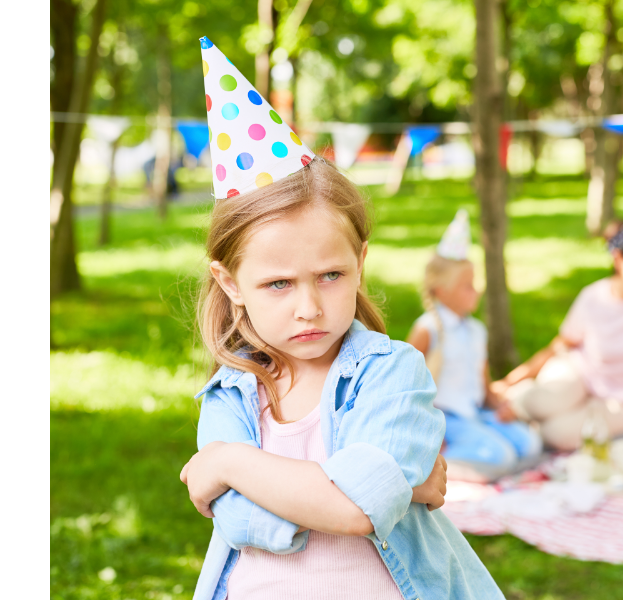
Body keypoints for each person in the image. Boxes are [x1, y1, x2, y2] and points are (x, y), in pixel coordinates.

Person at [178, 37, 502, 600]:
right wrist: (394, 488)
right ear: (231, 284)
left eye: (330, 275)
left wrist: (231, 463)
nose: (309, 307)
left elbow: (355, 510)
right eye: (277, 284)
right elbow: (240, 523)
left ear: (359, 263)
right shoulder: (229, 395)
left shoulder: (392, 371)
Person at [492, 219, 623, 450]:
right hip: (579, 373)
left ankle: (524, 423)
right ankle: (517, 402)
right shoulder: (593, 296)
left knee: (556, 434)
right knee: (539, 402)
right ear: (619, 258)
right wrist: (510, 380)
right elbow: (560, 345)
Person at [406, 209, 542, 480]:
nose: (476, 291)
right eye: (467, 286)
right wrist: (426, 431)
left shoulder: (477, 330)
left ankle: (485, 459)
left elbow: (483, 382)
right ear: (441, 291)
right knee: (501, 457)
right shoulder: (429, 329)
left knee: (530, 445)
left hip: (475, 413)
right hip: (446, 420)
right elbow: (405, 385)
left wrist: (500, 407)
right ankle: (430, 463)